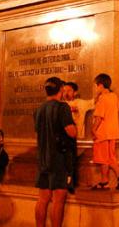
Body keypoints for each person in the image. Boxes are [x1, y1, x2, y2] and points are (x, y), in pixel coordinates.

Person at [34, 77, 78, 227]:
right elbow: (71, 132)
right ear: (60, 90)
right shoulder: (62, 107)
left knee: (43, 199)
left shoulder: (39, 109)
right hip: (59, 158)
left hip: (42, 158)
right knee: (58, 200)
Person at [91, 73, 119, 190]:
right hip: (113, 132)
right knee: (111, 157)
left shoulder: (102, 98)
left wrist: (93, 129)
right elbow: (118, 109)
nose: (96, 88)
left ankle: (105, 180)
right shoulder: (114, 96)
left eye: (96, 86)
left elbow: (99, 117)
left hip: (103, 132)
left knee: (102, 158)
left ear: (100, 85)